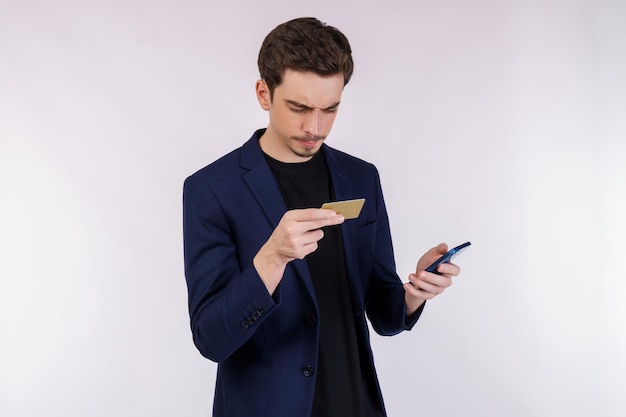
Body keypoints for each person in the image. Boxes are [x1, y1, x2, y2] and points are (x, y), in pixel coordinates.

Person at [182, 17, 461, 417]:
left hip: (354, 402)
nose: (315, 127)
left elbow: (384, 315)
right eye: (299, 108)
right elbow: (211, 338)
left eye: (330, 109)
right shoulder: (211, 188)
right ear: (264, 93)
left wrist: (414, 292)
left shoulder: (362, 177)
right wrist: (271, 259)